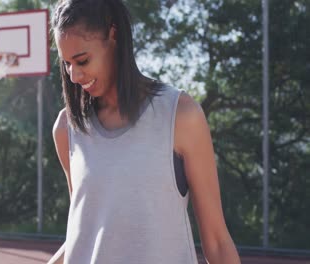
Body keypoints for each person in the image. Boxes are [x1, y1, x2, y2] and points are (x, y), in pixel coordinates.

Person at [48, 0, 241, 263]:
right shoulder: (66, 129)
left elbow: (217, 242)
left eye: (82, 60)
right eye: (66, 64)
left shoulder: (181, 116)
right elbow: (84, 233)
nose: (73, 76)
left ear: (112, 34)